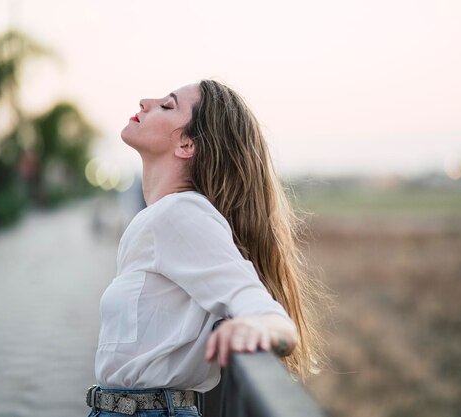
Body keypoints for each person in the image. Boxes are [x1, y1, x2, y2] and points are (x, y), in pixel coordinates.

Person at [86, 80, 324, 417]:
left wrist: (262, 326)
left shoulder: (182, 213)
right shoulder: (163, 217)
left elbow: (266, 313)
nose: (145, 101)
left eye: (167, 106)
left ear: (186, 143)